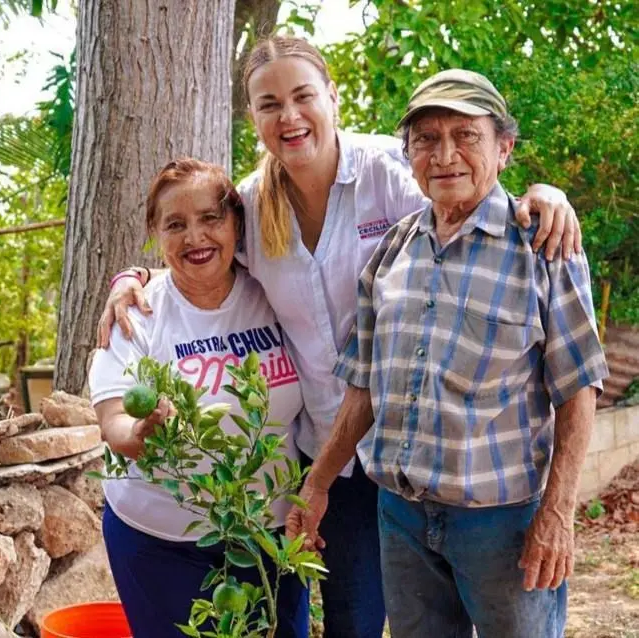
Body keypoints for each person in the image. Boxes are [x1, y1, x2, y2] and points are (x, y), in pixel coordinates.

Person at [96, 36, 583, 637]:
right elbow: (195, 254)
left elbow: (471, 195)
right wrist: (130, 278)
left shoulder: (392, 173)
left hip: (425, 456)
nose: (289, 116)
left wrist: (548, 195)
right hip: (328, 455)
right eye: (269, 103)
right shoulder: (248, 205)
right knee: (356, 621)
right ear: (253, 117)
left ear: (332, 97)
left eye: (303, 96)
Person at [286, 69, 609, 638]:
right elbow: (363, 386)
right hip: (402, 517)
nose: (445, 155)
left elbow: (577, 389)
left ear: (503, 148)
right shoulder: (392, 251)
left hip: (503, 524)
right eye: (427, 139)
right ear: (408, 152)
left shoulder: (544, 247)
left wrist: (558, 514)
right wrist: (316, 485)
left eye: (466, 136)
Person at [88, 158, 310, 637]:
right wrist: (140, 434)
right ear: (155, 232)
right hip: (156, 543)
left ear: (236, 223)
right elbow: (112, 422)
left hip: (267, 536)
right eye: (176, 224)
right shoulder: (137, 314)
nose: (196, 237)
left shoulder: (275, 292)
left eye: (211, 218)